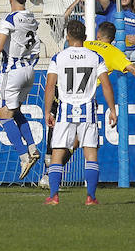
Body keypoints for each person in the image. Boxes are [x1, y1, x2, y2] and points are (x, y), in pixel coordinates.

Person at [40, 18, 121, 206]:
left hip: (65, 110)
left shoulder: (58, 57)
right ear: (85, 37)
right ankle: (90, 197)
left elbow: (50, 86)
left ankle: (54, 196)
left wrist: (47, 112)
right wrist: (112, 109)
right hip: (87, 110)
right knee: (90, 153)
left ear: (67, 36)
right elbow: (106, 85)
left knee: (58, 153)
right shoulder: (95, 57)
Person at [0, 0, 43, 180]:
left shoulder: (9, 19)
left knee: (4, 117)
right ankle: (32, 147)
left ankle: (23, 157)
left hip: (12, 72)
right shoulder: (31, 18)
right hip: (29, 71)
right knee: (15, 111)